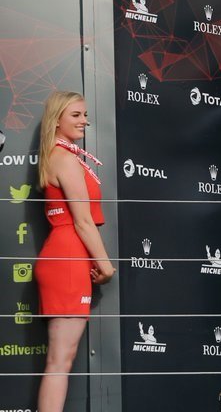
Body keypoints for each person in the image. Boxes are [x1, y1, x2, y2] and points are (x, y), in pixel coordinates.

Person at [35, 91, 115, 412]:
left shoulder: (61, 155)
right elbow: (82, 220)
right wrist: (105, 265)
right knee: (60, 360)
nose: (85, 121)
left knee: (60, 359)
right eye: (76, 115)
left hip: (68, 255)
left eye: (85, 115)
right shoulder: (64, 158)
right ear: (57, 120)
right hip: (68, 257)